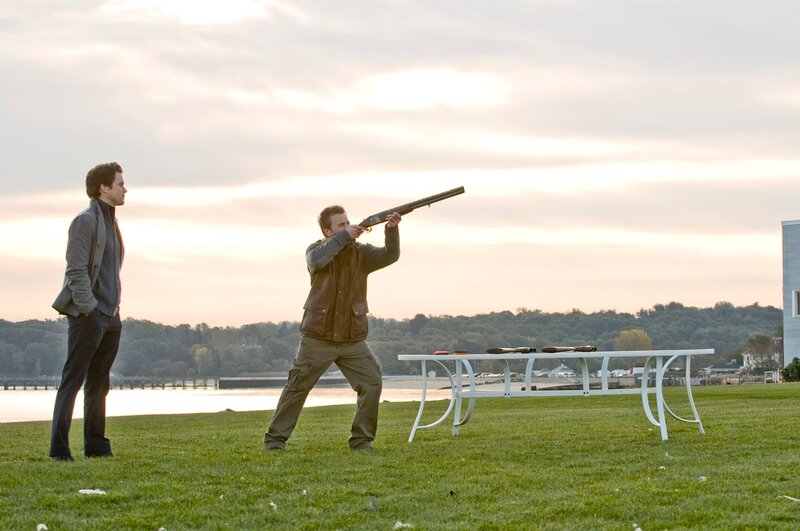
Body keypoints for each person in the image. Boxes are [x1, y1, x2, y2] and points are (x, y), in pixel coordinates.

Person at [264, 206, 401, 451]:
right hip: (318, 337)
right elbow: (317, 260)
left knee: (372, 383)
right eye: (341, 224)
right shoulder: (316, 251)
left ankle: (361, 440)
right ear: (328, 231)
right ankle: (275, 440)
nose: (348, 225)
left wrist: (392, 230)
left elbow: (390, 256)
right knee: (297, 387)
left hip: (352, 338)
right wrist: (345, 236)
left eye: (348, 222)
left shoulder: (362, 253)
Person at [49, 162, 127, 461]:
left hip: (111, 314)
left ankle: (96, 446)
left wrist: (110, 309)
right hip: (89, 315)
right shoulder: (85, 221)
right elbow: (76, 270)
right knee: (73, 380)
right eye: (120, 183)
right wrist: (90, 308)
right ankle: (59, 448)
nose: (125, 188)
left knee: (99, 382)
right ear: (103, 188)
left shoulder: (111, 221)